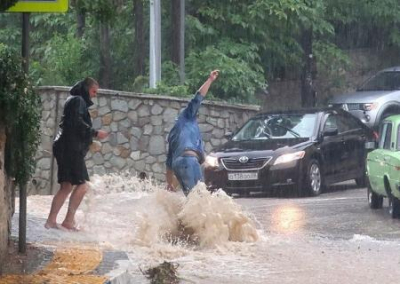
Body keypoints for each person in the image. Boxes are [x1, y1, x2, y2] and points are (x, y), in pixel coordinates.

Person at [44, 77, 108, 231]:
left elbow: (73, 125)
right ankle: (68, 221)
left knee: (66, 186)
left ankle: (52, 221)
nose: (94, 95)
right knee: (83, 185)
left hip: (64, 146)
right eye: (93, 91)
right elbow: (77, 124)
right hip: (69, 148)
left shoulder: (73, 100)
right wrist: (95, 133)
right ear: (87, 89)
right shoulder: (78, 101)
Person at [166, 70, 219, 195]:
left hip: (179, 165)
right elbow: (198, 97)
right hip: (188, 161)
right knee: (200, 198)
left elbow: (168, 164)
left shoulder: (173, 133)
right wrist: (210, 80)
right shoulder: (187, 116)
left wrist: (169, 183)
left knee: (193, 198)